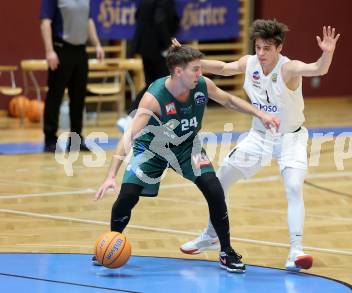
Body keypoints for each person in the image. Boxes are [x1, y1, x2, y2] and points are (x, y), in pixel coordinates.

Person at [93, 46, 280, 273]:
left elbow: (229, 100)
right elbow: (129, 135)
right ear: (178, 71)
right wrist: (111, 175)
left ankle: (226, 251)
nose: (200, 74)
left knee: (214, 188)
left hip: (187, 146)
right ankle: (111, 244)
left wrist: (260, 114)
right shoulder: (155, 97)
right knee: (128, 195)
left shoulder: (201, 85)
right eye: (196, 69)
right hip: (152, 148)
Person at [179, 19, 341, 272]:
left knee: (294, 187)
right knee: (219, 182)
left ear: (278, 48)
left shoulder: (289, 69)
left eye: (267, 48)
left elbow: (317, 69)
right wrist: (191, 60)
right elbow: (222, 67)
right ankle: (210, 236)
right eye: (258, 47)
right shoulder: (250, 63)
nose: (261, 53)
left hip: (291, 138)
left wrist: (327, 54)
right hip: (259, 136)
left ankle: (296, 251)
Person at [40, 0, 104, 152]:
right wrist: (49, 51)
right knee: (55, 95)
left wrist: (97, 44)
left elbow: (88, 20)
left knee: (78, 97)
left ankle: (76, 139)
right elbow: (45, 23)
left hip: (80, 51)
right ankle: (50, 138)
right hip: (61, 49)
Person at [116, 0, 180, 131]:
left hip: (145, 47)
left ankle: (134, 119)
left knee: (152, 84)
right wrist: (168, 43)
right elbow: (159, 20)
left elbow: (137, 16)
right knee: (161, 84)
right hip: (157, 48)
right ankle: (131, 118)